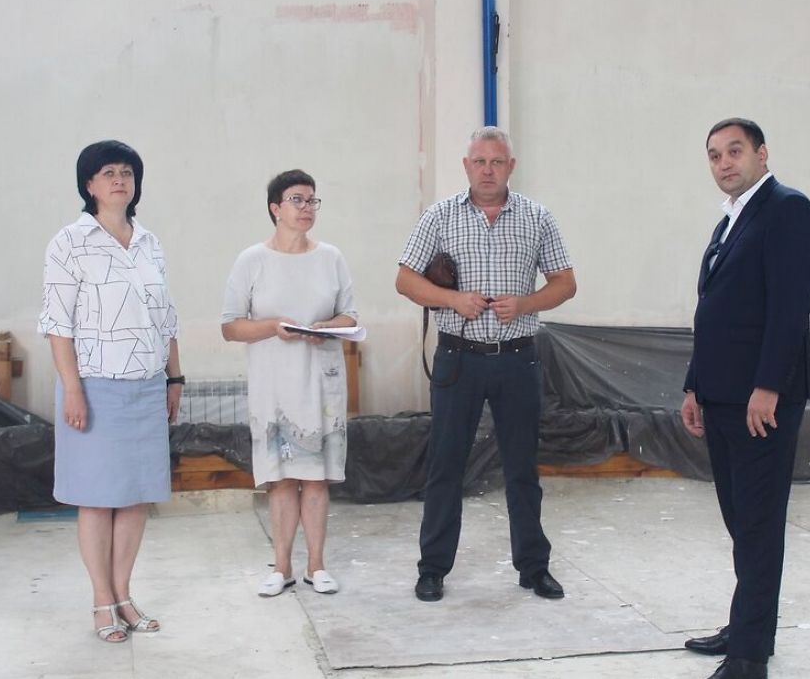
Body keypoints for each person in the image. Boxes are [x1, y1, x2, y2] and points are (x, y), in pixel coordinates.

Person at [396, 126, 576, 602]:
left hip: (517, 358)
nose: (488, 171)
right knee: (446, 465)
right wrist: (453, 299)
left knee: (522, 467)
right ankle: (433, 568)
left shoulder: (537, 217)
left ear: (511, 166)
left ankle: (533, 567)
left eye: (497, 162)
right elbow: (405, 280)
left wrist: (527, 303)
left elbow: (565, 282)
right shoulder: (439, 216)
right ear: (466, 166)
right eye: (480, 162)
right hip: (458, 357)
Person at [680, 118, 810, 679]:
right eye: (714, 155)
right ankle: (748, 625)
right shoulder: (731, 220)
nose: (724, 163)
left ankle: (749, 657)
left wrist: (769, 387)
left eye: (734, 151)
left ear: (762, 154)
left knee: (758, 525)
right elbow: (713, 310)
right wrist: (694, 386)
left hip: (760, 401)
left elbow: (790, 307)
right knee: (741, 521)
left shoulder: (788, 210)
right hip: (720, 396)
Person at [38, 140, 182, 642]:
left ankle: (124, 594)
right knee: (98, 498)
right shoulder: (69, 243)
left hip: (146, 385)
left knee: (137, 497)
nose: (120, 180)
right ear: (89, 185)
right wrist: (72, 390)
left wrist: (174, 378)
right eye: (108, 173)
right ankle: (101, 600)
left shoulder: (150, 243)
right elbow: (58, 325)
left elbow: (166, 319)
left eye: (127, 172)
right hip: (95, 387)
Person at [221, 169, 357, 597]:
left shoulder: (331, 257)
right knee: (280, 478)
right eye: (297, 200)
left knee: (316, 478)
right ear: (275, 208)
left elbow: (350, 315)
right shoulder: (252, 260)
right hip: (274, 384)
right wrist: (272, 326)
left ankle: (317, 565)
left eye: (312, 200)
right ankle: (281, 567)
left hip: (320, 381)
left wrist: (327, 326)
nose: (306, 208)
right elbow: (231, 326)